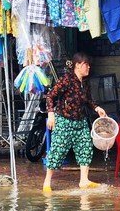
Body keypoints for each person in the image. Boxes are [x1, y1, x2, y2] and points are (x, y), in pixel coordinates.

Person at [42, 52, 107, 192]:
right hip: (64, 120)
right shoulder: (66, 80)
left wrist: (97, 108)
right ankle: (47, 182)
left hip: (80, 121)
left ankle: (84, 180)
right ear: (77, 65)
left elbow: (88, 100)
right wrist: (51, 114)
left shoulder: (84, 83)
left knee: (86, 148)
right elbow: (50, 96)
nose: (88, 67)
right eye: (86, 65)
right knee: (58, 150)